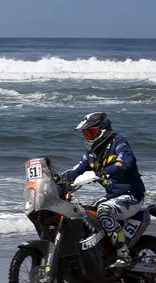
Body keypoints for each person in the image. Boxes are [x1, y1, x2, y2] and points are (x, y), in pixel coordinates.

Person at [58, 112, 146, 268]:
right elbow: (75, 170)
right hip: (112, 196)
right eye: (86, 134)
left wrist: (103, 172)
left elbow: (125, 163)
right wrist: (56, 180)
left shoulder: (118, 142)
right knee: (82, 212)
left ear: (103, 130)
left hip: (131, 195)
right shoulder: (92, 154)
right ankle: (99, 250)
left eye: (91, 132)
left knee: (104, 210)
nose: (89, 137)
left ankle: (123, 254)